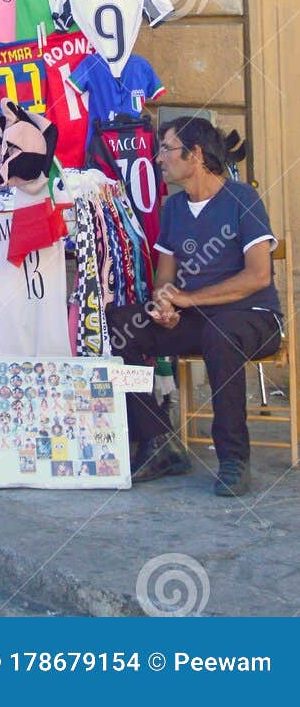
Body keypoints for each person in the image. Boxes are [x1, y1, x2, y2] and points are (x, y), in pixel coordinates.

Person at [107, 116, 282, 497]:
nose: (158, 158)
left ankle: (233, 459)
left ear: (196, 154)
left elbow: (258, 276)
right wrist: (164, 305)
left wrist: (189, 299)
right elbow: (164, 280)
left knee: (220, 335)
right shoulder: (174, 209)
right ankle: (158, 441)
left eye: (167, 149)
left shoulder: (242, 199)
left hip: (254, 318)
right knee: (121, 325)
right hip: (198, 319)